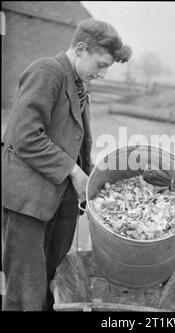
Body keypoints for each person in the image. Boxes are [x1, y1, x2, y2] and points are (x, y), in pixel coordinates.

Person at [1, 19, 131, 311]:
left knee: (51, 284)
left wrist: (94, 177)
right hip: (29, 203)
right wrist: (73, 172)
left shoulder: (77, 81)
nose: (103, 73)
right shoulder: (48, 71)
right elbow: (24, 136)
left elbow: (73, 141)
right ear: (81, 49)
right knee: (26, 293)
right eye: (100, 64)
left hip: (59, 203)